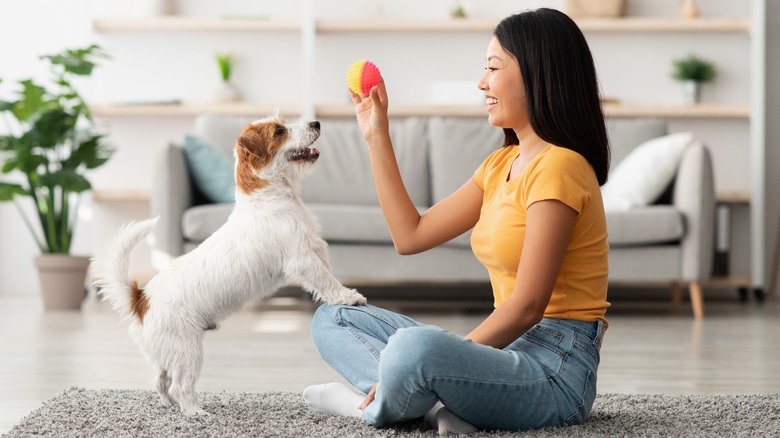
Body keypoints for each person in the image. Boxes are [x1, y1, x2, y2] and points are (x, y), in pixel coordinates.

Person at [303, 8, 610, 433]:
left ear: (538, 75)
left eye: (493, 68)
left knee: (415, 350)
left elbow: (527, 307)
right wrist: (376, 135)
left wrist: (439, 356)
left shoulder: (560, 167)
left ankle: (367, 407)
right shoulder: (500, 163)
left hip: (556, 371)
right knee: (334, 318)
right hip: (507, 353)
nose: (482, 82)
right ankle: (437, 409)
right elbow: (410, 236)